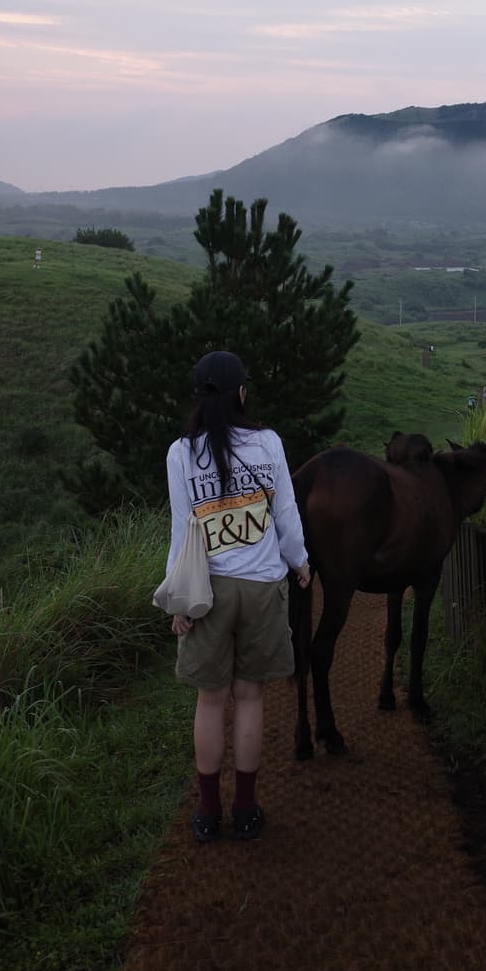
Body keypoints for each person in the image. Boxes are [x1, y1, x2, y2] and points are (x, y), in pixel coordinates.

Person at [166, 350, 310, 844]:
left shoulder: (180, 454)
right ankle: (246, 811)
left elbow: (181, 534)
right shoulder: (268, 444)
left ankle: (207, 815)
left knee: (211, 700)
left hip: (208, 591)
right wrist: (300, 561)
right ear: (241, 393)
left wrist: (179, 602)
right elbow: (286, 514)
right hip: (263, 587)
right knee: (250, 696)